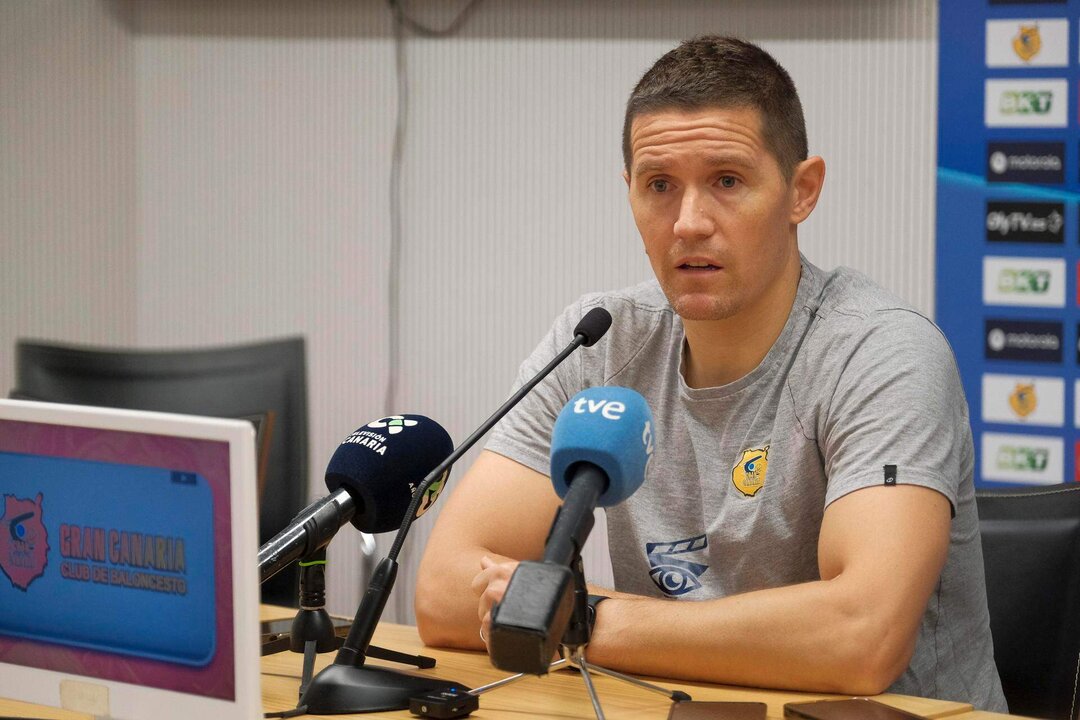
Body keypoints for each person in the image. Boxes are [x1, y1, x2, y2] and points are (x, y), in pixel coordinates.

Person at [414, 36, 1006, 711]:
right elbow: (440, 593)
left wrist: (579, 618)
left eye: (727, 181)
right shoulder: (599, 341)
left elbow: (861, 637)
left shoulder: (881, 351)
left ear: (801, 191)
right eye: (659, 185)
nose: (689, 224)